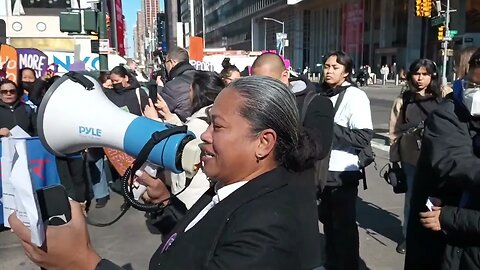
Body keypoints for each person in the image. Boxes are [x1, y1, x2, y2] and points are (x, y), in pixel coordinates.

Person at [9, 76, 323, 270]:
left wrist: (84, 263)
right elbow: (206, 240)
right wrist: (165, 206)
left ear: (263, 142)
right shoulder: (240, 184)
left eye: (218, 126)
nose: (205, 136)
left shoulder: (271, 229)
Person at [405, 49, 480, 270]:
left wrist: (450, 217)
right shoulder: (448, 113)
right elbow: (457, 163)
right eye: (474, 86)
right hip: (449, 240)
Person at [143, 71, 226, 233]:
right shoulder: (209, 118)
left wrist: (153, 122)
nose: (188, 95)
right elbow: (184, 132)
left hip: (188, 197)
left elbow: (176, 144)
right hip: (200, 193)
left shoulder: (199, 125)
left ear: (198, 92)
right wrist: (168, 115)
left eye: (190, 90)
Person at [316, 51, 373, 270]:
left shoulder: (355, 96)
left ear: (347, 72)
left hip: (343, 172)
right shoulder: (322, 93)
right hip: (321, 169)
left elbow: (363, 136)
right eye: (327, 66)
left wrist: (328, 125)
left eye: (335, 67)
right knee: (328, 225)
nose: (329, 71)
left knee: (344, 228)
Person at [388, 58, 443, 254]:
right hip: (411, 159)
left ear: (432, 76)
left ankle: (432, 233)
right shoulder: (403, 100)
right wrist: (394, 161)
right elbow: (393, 133)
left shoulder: (442, 97)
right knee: (412, 199)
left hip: (438, 159)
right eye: (417, 74)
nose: (420, 78)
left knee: (436, 199)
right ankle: (408, 236)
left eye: (425, 74)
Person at [250, 52, 334, 164]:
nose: (261, 90)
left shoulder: (317, 103)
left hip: (295, 177)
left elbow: (318, 148)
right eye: (256, 85)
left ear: (285, 76)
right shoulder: (251, 102)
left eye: (267, 83)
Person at [158, 47, 197, 121]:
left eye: (166, 62)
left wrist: (160, 87)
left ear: (173, 62)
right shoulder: (204, 78)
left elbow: (158, 111)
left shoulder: (172, 86)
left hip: (184, 128)